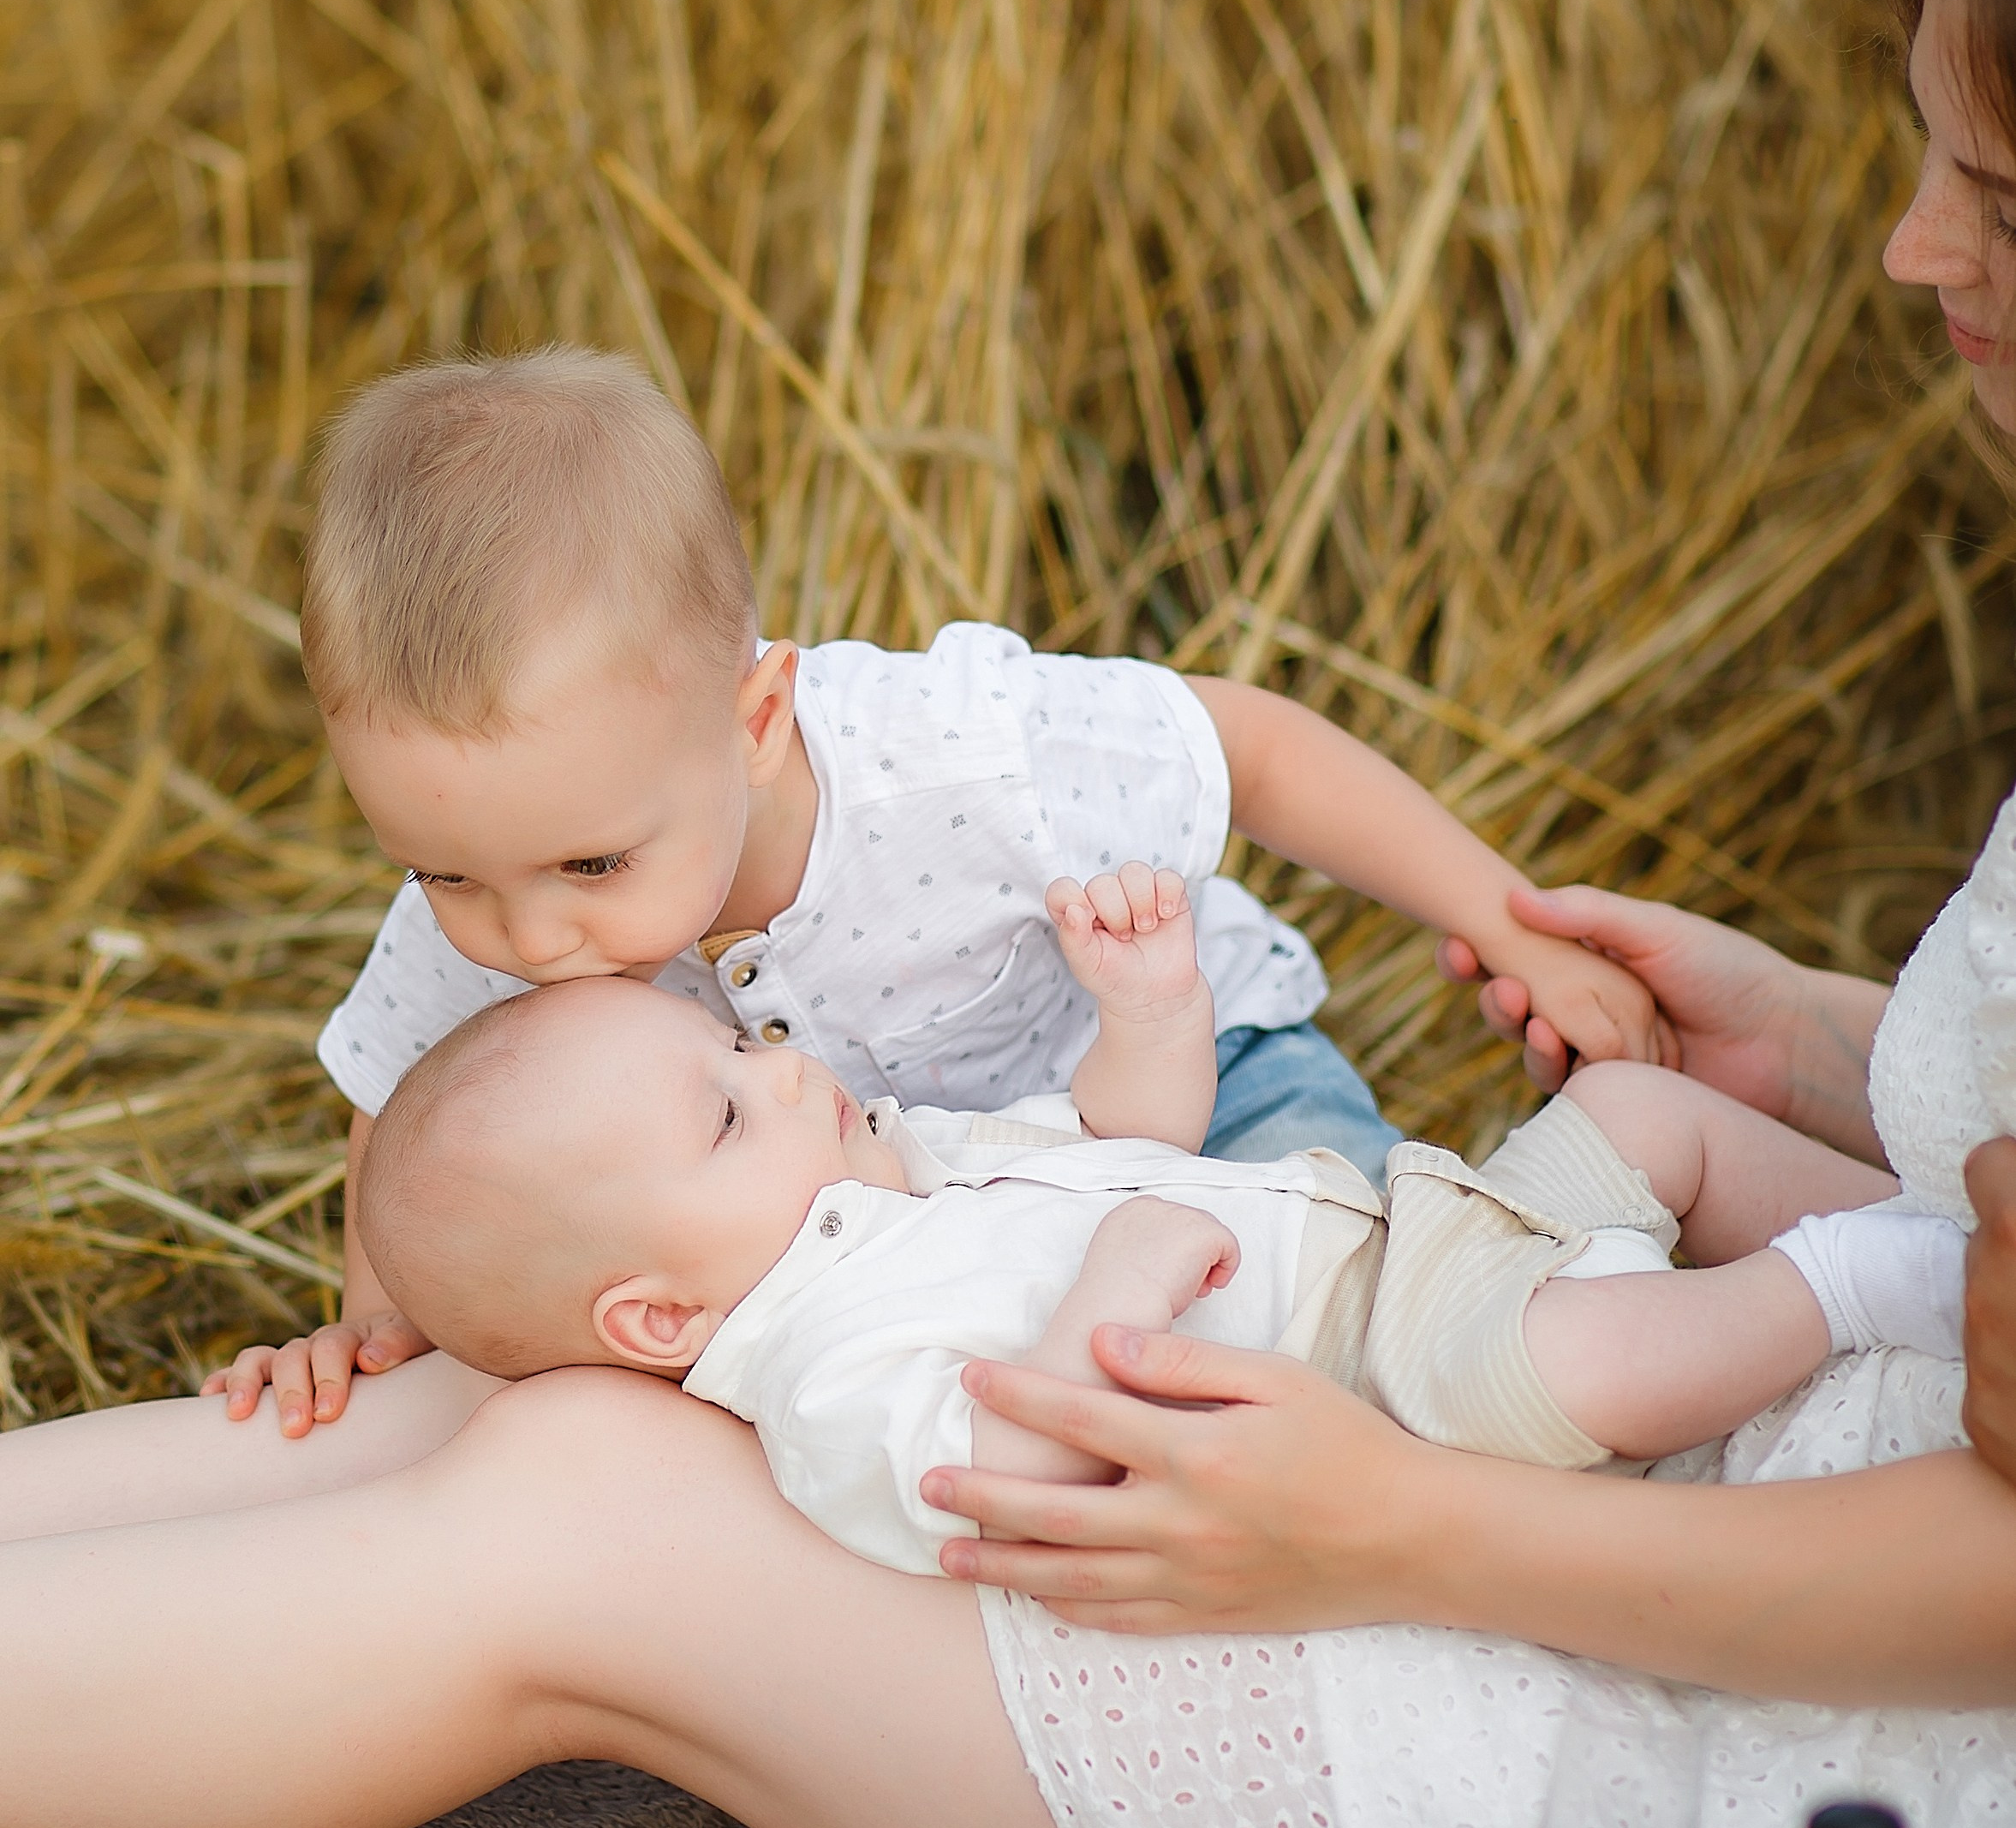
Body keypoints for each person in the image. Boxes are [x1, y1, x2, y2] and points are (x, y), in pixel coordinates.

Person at [0, 0, 2014, 1828]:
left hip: (1752, 1739)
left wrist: (1401, 1520)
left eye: (1993, 196)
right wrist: (1843, 1044)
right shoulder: (589, 970)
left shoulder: (933, 760)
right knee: (536, 1364)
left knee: (584, 1499)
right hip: (1668, 1457)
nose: (1907, 239)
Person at [201, 343, 1661, 1439]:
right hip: (905, 1232)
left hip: (1190, 1084)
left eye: (593, 866)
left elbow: (1252, 751)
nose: (529, 941)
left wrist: (1498, 914)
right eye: (441, 873)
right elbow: (406, 1104)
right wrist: (376, 1327)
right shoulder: (507, 888)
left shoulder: (957, 756)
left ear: (754, 721)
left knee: (1373, 1305)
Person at [360, 868, 1941, 1578]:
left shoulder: (906, 1166)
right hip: (1391, 1378)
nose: (781, 1075)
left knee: (1646, 1122)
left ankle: (1929, 1226)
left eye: (742, 1048)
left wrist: (1149, 1007)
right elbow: (994, 1496)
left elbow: (1133, 1137)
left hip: (1412, 1224)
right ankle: (1851, 1284)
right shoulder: (822, 1369)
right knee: (1593, 1359)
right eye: (722, 1112)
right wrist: (1105, 1302)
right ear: (651, 1317)